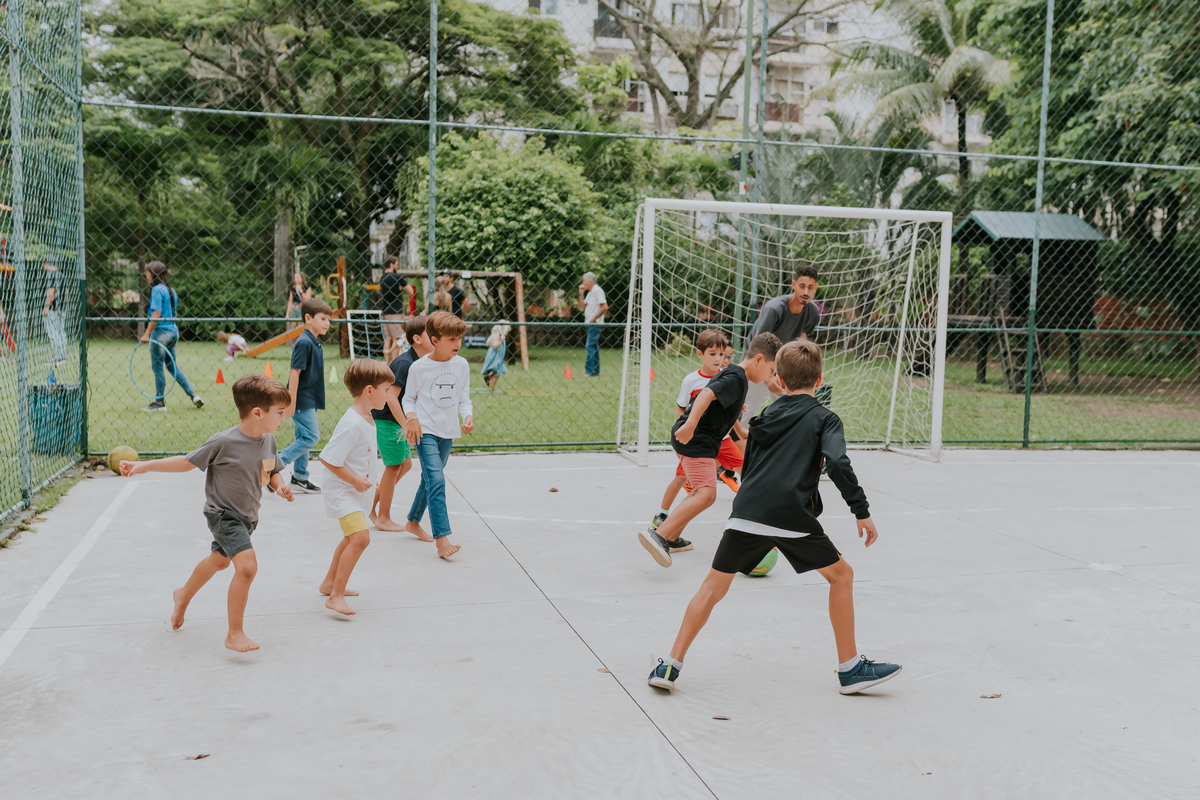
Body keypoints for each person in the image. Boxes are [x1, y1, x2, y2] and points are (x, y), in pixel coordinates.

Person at [647, 339, 901, 695]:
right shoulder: (826, 418)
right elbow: (838, 463)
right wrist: (861, 511)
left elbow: (750, 463)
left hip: (746, 514)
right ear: (820, 379)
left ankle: (669, 666)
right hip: (792, 516)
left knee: (711, 589)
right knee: (842, 576)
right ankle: (850, 669)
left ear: (778, 379)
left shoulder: (764, 416)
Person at [119, 373, 295, 652]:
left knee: (219, 561)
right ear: (257, 412)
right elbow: (187, 462)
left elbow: (272, 471)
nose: (284, 418)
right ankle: (234, 633)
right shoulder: (223, 442)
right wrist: (145, 466)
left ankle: (183, 594)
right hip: (223, 515)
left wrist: (280, 486)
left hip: (248, 517)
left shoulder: (268, 440)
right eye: (280, 413)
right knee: (246, 568)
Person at [639, 332, 781, 568]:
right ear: (759, 360)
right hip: (697, 439)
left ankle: (671, 538)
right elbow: (706, 394)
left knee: (701, 493)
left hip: (703, 441)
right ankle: (659, 534)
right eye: (772, 370)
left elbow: (724, 410)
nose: (771, 377)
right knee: (706, 494)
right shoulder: (737, 378)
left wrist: (741, 432)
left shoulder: (737, 376)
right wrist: (690, 424)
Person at [317, 358, 395, 616]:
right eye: (386, 390)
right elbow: (328, 459)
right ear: (369, 390)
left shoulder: (367, 417)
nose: (389, 395)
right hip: (342, 492)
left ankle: (329, 583)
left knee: (351, 538)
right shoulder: (352, 423)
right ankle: (336, 596)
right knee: (361, 539)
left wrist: (367, 479)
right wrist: (356, 481)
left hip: (353, 491)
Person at [650, 329, 743, 536]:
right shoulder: (691, 381)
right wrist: (687, 431)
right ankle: (662, 515)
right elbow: (681, 407)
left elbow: (730, 411)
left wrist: (739, 428)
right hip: (697, 442)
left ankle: (748, 512)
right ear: (700, 354)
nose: (718, 359)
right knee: (681, 480)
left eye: (722, 354)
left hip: (722, 439)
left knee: (745, 468)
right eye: (712, 354)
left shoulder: (727, 378)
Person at [401, 311, 475, 559]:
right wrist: (412, 419)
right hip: (425, 432)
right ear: (435, 340)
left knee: (430, 479)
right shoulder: (418, 367)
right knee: (437, 480)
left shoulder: (461, 365)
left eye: (459, 338)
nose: (457, 343)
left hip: (448, 432)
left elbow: (463, 398)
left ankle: (412, 521)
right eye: (451, 339)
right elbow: (408, 399)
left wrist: (467, 416)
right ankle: (441, 538)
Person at [370, 316, 433, 536]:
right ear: (417, 339)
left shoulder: (422, 362)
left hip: (397, 421)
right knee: (394, 466)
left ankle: (370, 506)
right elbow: (391, 397)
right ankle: (383, 517)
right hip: (388, 420)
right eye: (431, 334)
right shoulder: (405, 363)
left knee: (405, 464)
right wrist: (406, 423)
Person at [740, 264, 821, 423]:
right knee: (747, 412)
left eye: (810, 287)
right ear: (793, 285)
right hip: (757, 363)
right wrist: (769, 377)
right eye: (802, 286)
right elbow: (758, 345)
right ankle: (737, 440)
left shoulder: (812, 312)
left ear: (815, 288)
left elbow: (799, 343)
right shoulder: (774, 308)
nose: (806, 292)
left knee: (793, 411)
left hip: (782, 365)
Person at [280, 297, 332, 494]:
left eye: (328, 319)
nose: (327, 323)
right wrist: (291, 401)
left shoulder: (313, 341)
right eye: (323, 319)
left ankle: (299, 477)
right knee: (311, 437)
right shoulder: (303, 342)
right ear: (308, 318)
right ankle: (275, 464)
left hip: (309, 398)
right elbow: (295, 372)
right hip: (301, 399)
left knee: (303, 436)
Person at [141, 261, 204, 412]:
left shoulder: (157, 289)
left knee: (158, 367)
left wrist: (146, 333)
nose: (146, 276)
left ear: (154, 274)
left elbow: (157, 314)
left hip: (160, 333)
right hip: (173, 332)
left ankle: (159, 403)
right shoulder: (170, 290)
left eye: (147, 273)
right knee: (171, 366)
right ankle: (193, 395)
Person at [379, 256, 414, 362]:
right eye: (396, 264)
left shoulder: (382, 278)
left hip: (385, 311)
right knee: (397, 338)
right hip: (395, 311)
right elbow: (411, 291)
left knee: (388, 338)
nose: (397, 266)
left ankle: (387, 364)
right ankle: (394, 363)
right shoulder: (397, 277)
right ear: (391, 264)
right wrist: (401, 287)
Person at [579, 272, 607, 377]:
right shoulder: (590, 292)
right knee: (593, 346)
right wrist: (581, 293)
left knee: (590, 346)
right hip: (590, 323)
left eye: (584, 281)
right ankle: (596, 370)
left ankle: (590, 371)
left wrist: (593, 319)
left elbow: (604, 307)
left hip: (594, 324)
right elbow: (581, 306)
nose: (583, 283)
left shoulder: (597, 290)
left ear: (590, 282)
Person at [42, 261, 67, 365]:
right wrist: (64, 305)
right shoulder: (62, 275)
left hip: (53, 308)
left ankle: (57, 356)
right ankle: (62, 355)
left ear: (46, 263)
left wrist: (46, 307)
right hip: (62, 307)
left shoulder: (52, 275)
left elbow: (51, 292)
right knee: (61, 331)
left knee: (53, 331)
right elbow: (66, 293)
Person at [481, 324, 510, 392]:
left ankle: (488, 377)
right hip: (496, 356)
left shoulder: (492, 335)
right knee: (497, 372)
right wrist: (501, 340)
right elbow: (495, 346)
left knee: (494, 370)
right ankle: (491, 389)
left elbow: (487, 344)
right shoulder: (497, 336)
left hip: (490, 355)